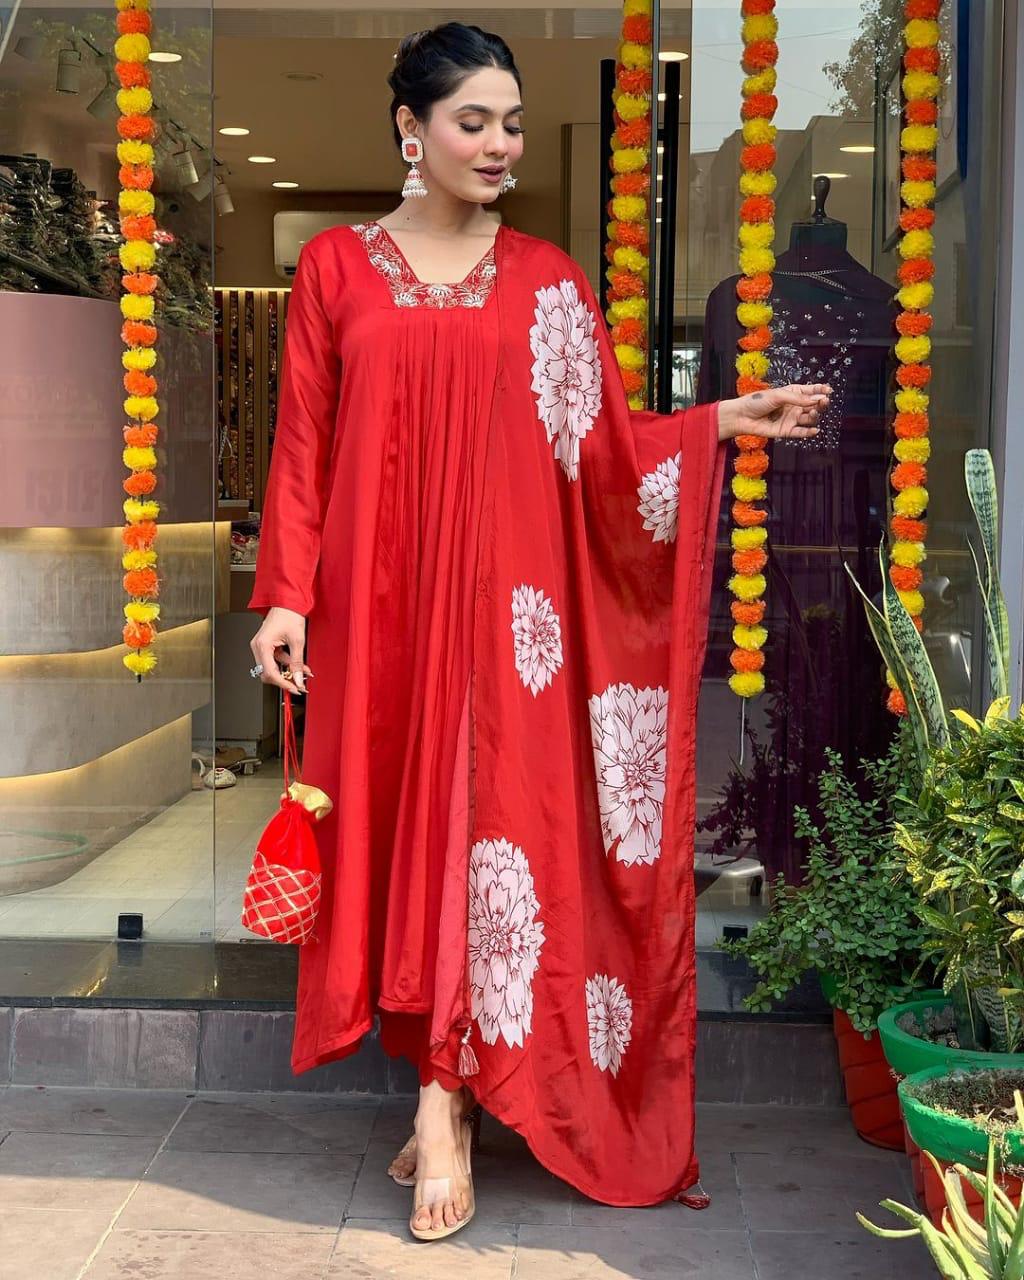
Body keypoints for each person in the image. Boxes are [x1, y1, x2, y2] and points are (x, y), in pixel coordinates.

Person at [248, 21, 829, 1242]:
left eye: (511, 122)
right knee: (404, 834)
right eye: (474, 121)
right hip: (377, 612)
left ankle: (443, 1099)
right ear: (411, 129)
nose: (500, 144)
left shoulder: (548, 281)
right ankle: (442, 1074)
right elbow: (302, 441)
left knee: (487, 831)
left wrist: (722, 418)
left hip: (509, 621)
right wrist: (287, 594)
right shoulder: (337, 271)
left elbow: (605, 450)